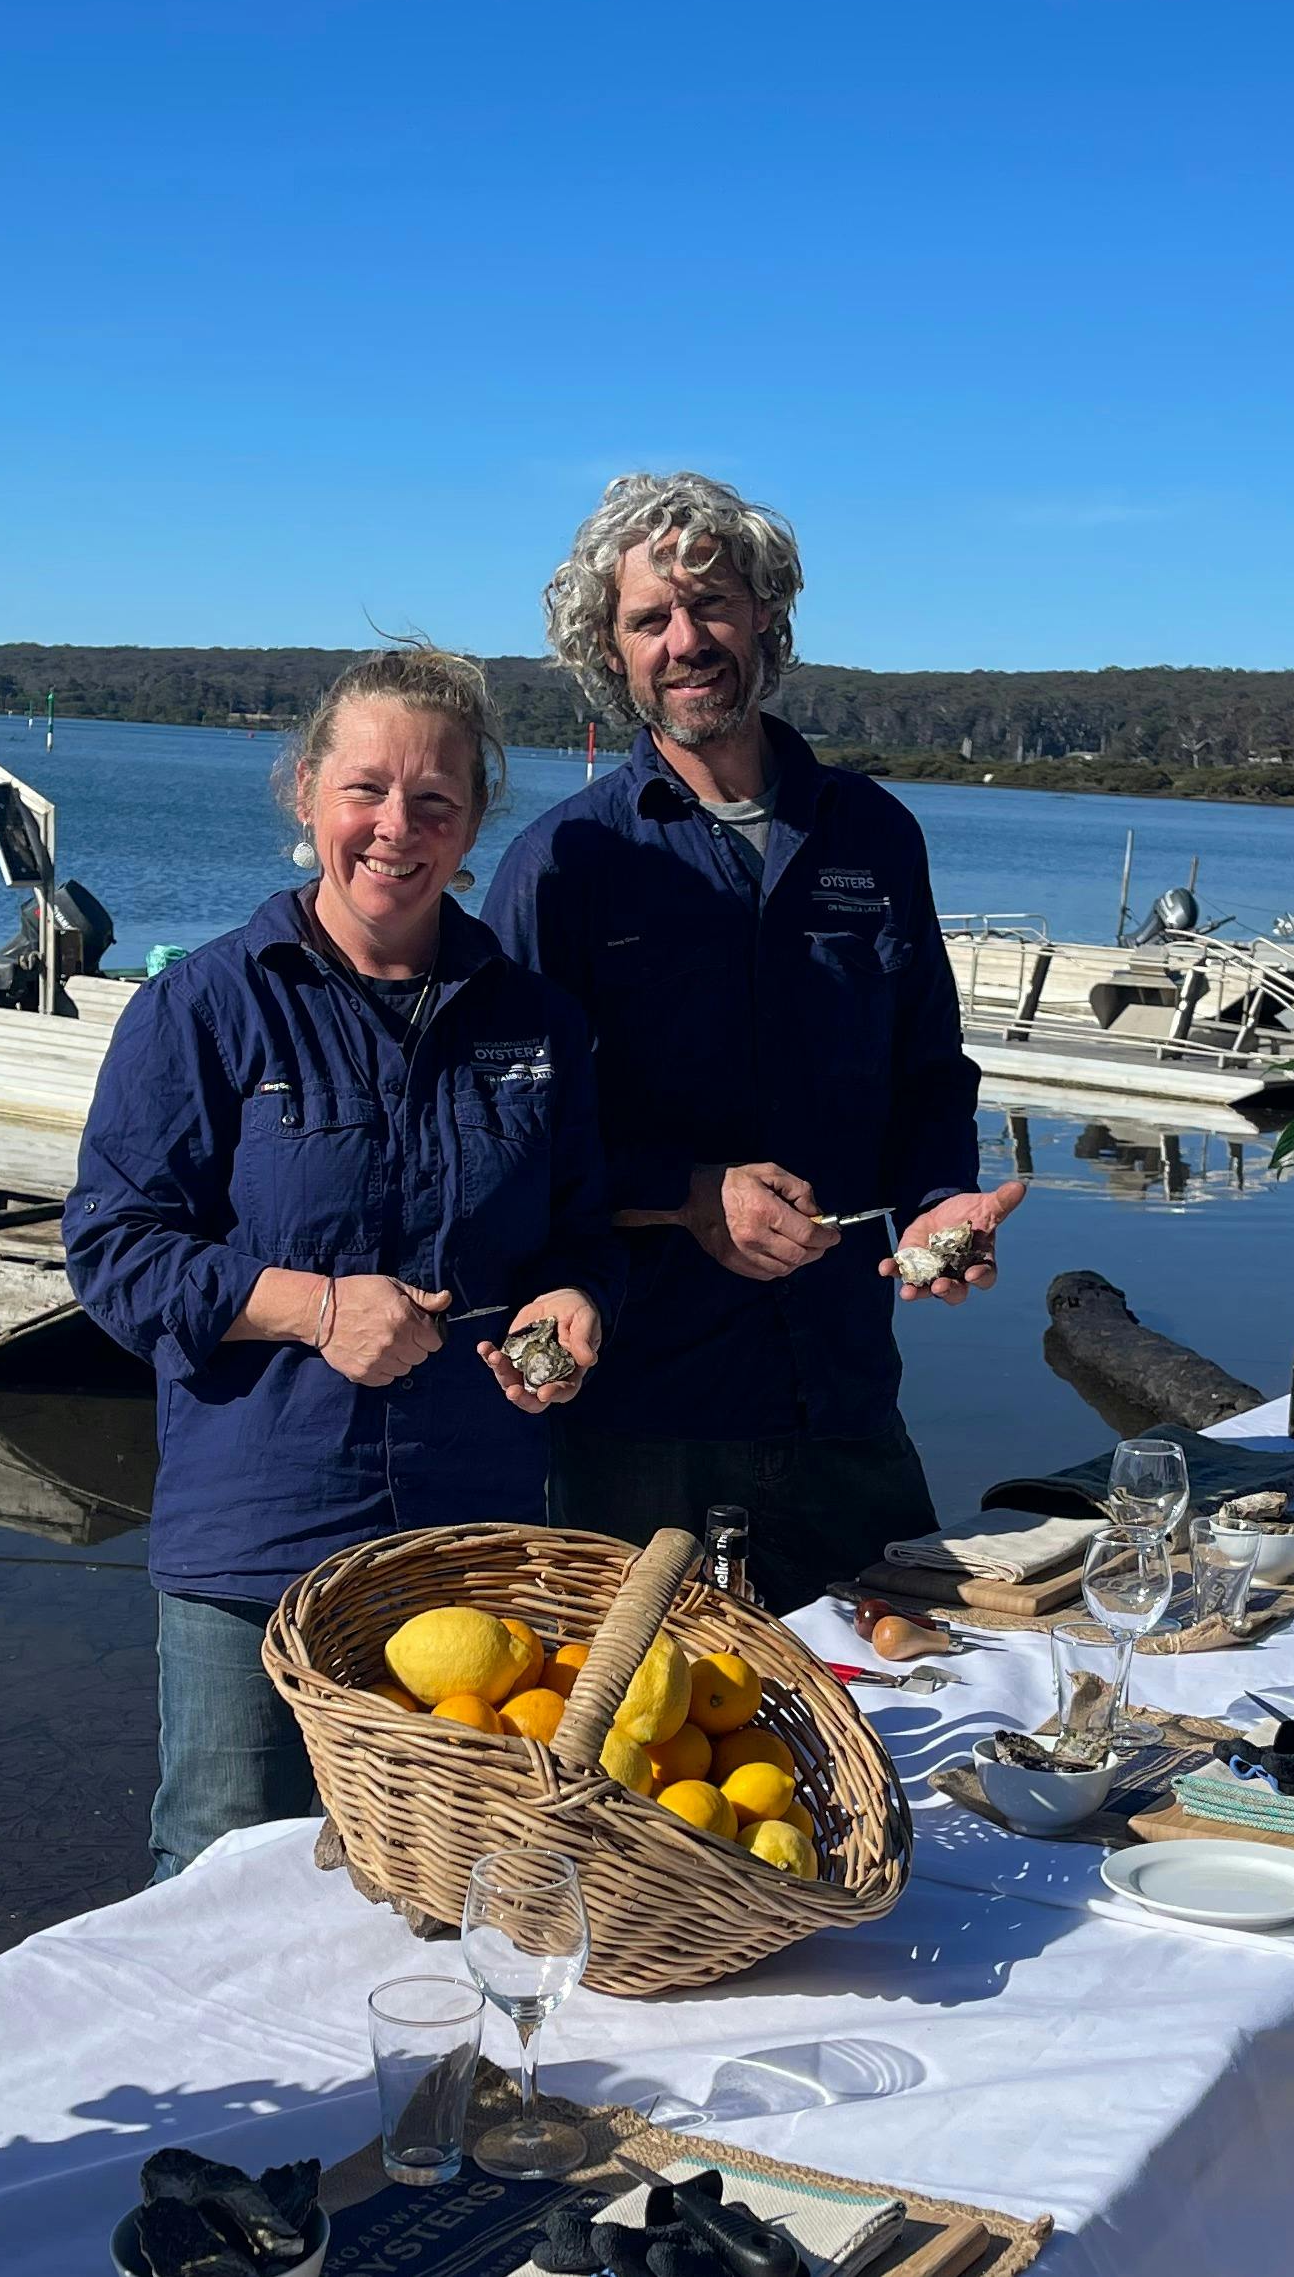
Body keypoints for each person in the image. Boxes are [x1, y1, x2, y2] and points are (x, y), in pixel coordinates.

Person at [67, 647, 622, 1881]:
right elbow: (113, 1252)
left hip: (467, 1542)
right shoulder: (206, 1008)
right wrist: (315, 1308)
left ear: (476, 822)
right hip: (256, 1543)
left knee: (447, 1869)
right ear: (307, 793)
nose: (397, 828)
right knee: (220, 1875)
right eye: (366, 790)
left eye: (436, 801)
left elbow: (583, 1233)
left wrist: (576, 1304)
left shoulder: (537, 1022)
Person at [484, 473, 1023, 1612]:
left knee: (902, 1712)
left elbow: (931, 1075)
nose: (687, 642)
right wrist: (688, 1196)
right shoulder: (565, 863)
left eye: (715, 605)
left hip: (840, 1391)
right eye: (649, 620)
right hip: (642, 1412)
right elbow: (512, 1137)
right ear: (610, 646)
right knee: (637, 1748)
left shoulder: (873, 836)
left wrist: (939, 1201)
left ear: (767, 614)